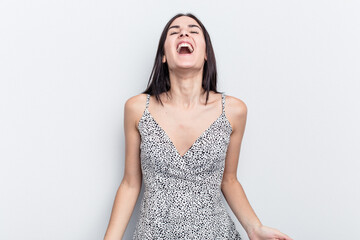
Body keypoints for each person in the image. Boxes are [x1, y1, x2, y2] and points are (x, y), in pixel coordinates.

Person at [104, 13, 293, 240]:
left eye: (193, 31)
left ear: (205, 54)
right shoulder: (137, 108)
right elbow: (130, 184)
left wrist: (255, 228)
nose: (184, 33)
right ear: (164, 55)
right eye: (174, 31)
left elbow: (229, 180)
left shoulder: (233, 111)